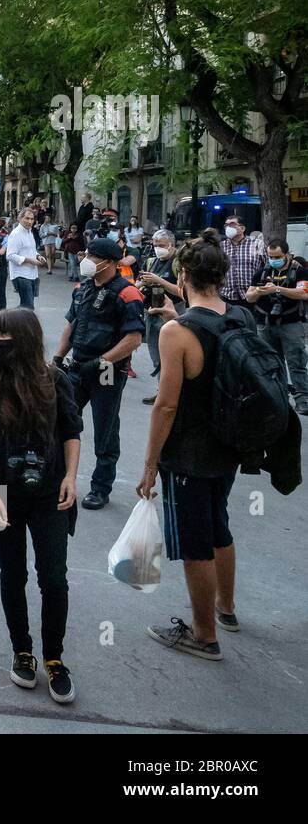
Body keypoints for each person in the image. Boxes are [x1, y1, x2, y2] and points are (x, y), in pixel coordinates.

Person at [137, 230, 249, 660]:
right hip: (230, 444)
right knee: (219, 525)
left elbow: (165, 406)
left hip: (189, 452)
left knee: (195, 542)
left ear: (182, 274)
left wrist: (150, 465)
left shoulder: (176, 333)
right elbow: (213, 333)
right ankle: (226, 609)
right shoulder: (240, 317)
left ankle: (203, 636)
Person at [0, 308, 81, 703]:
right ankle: (22, 651)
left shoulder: (56, 381)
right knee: (11, 573)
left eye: (3, 338)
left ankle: (54, 658)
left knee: (53, 577)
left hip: (51, 494)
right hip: (4, 495)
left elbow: (71, 430)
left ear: (25, 340)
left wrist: (70, 476)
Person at [54, 237, 145, 510]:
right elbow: (71, 325)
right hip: (78, 366)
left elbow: (134, 339)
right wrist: (58, 357)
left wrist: (102, 361)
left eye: (92, 257)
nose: (86, 261)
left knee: (105, 429)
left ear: (109, 262)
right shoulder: (82, 288)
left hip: (106, 370)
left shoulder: (127, 293)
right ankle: (60, 478)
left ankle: (100, 488)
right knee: (63, 420)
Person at [245, 237, 308, 415]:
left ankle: (303, 399)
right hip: (265, 324)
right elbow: (248, 297)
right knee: (270, 363)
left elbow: (303, 293)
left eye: (277, 256)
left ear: (286, 254)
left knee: (296, 362)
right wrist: (258, 291)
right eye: (270, 256)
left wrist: (277, 290)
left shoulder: (300, 271)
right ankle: (277, 399)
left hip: (291, 324)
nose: (273, 259)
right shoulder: (262, 273)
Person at [140, 229, 183, 405]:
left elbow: (182, 293)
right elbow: (140, 283)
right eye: (156, 245)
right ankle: (162, 391)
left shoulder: (178, 264)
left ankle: (172, 394)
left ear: (172, 245)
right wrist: (142, 284)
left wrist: (159, 281)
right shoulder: (151, 262)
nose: (158, 249)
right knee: (156, 357)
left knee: (172, 357)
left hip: (173, 314)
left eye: (162, 245)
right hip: (152, 312)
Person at [219, 215, 264, 307]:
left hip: (252, 296)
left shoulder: (257, 244)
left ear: (242, 228)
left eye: (232, 224)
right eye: (226, 225)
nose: (228, 228)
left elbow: (268, 266)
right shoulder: (220, 246)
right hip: (226, 296)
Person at [6, 208, 43, 310]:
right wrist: (29, 260)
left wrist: (38, 256)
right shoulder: (16, 234)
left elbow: (31, 250)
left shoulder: (29, 232)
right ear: (20, 218)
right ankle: (18, 322)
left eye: (32, 219)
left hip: (32, 273)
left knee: (26, 306)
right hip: (21, 274)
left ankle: (17, 322)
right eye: (27, 218)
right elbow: (10, 255)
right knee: (28, 306)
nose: (30, 221)